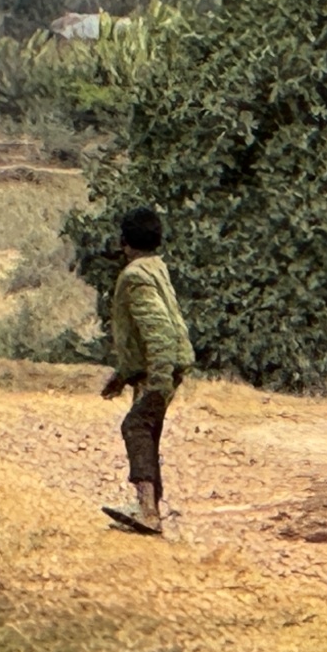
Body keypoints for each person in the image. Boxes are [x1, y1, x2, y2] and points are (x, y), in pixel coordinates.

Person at [99, 207, 195, 535]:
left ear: (124, 241)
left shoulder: (135, 276)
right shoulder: (156, 267)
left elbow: (158, 330)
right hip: (165, 365)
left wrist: (158, 378)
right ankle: (150, 507)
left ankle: (147, 511)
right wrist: (124, 375)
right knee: (147, 430)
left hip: (160, 367)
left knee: (136, 426)